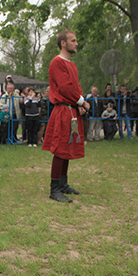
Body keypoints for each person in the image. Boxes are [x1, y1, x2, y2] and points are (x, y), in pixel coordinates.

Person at [42, 30, 89, 202]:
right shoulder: (57, 62)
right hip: (62, 110)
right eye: (73, 40)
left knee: (67, 147)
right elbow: (65, 88)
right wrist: (82, 102)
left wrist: (80, 104)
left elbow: (76, 87)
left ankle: (63, 184)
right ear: (63, 43)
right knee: (61, 149)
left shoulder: (72, 65)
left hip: (72, 110)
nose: (76, 44)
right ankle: (54, 189)